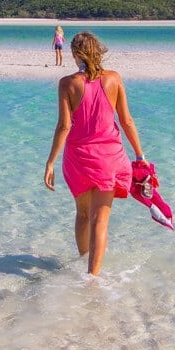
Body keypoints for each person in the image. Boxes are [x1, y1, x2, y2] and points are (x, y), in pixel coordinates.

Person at [43, 31, 147, 276]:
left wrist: (50, 162)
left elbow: (64, 126)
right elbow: (127, 121)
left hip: (79, 158)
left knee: (82, 214)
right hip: (110, 158)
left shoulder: (67, 83)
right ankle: (92, 276)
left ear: (75, 54)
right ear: (98, 51)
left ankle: (83, 263)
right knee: (100, 219)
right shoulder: (114, 79)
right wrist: (140, 156)